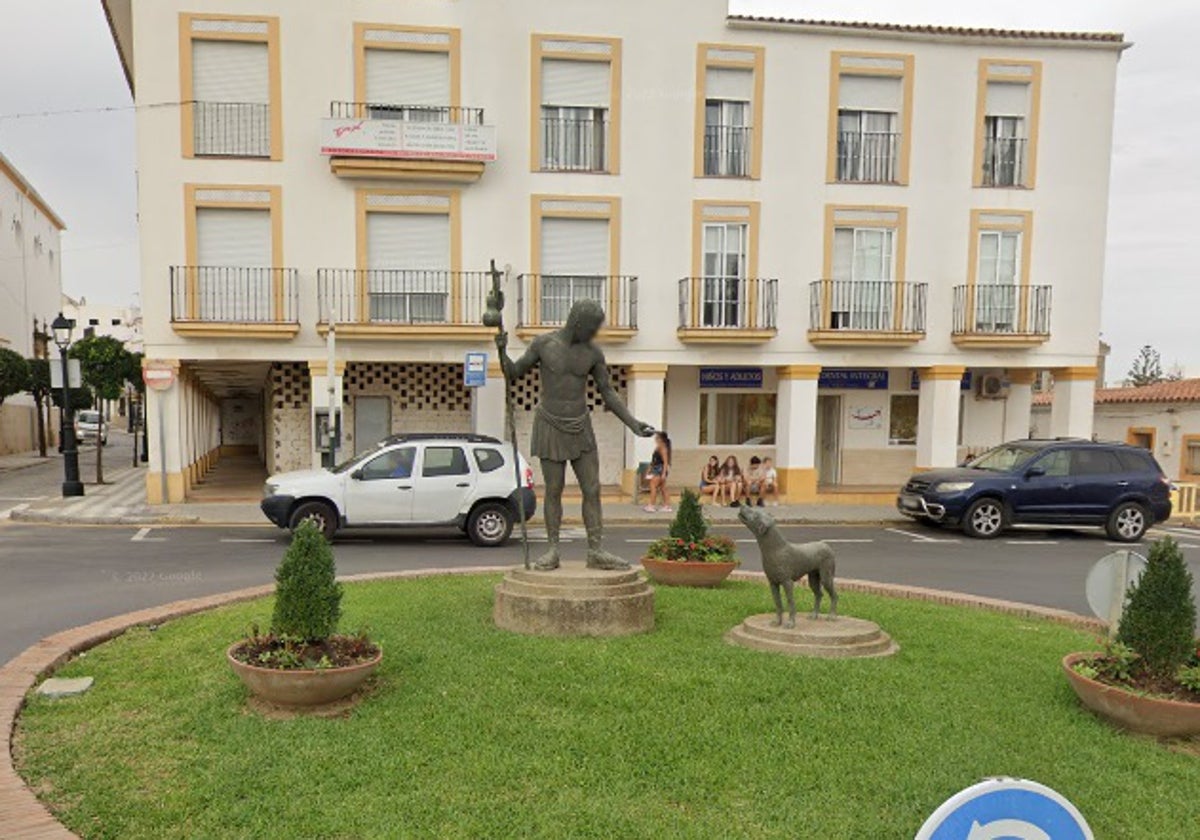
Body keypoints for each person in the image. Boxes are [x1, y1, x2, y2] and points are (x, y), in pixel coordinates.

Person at [496, 299, 654, 571]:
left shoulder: (593, 353)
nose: (595, 333)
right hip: (550, 424)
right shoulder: (543, 345)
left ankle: (596, 550)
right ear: (578, 322)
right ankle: (553, 550)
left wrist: (632, 422)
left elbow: (608, 392)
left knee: (592, 489)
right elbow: (513, 373)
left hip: (580, 425)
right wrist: (501, 351)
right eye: (593, 327)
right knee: (554, 491)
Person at [642, 431, 672, 513]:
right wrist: (649, 469)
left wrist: (663, 474)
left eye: (657, 437)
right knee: (663, 488)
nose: (655, 438)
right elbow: (654, 460)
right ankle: (667, 506)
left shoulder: (663, 448)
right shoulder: (658, 447)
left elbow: (665, 462)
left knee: (653, 486)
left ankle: (651, 505)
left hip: (659, 469)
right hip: (656, 468)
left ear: (661, 439)